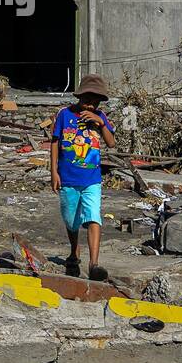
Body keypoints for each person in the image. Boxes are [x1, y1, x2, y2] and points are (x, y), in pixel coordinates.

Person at [49, 73, 115, 281]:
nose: (90, 106)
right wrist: (53, 172)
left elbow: (111, 143)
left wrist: (101, 124)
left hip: (91, 179)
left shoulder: (100, 117)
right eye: (87, 101)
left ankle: (94, 264)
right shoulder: (64, 115)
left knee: (93, 216)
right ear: (79, 97)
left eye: (94, 103)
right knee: (71, 220)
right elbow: (54, 143)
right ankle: (74, 251)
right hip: (68, 178)